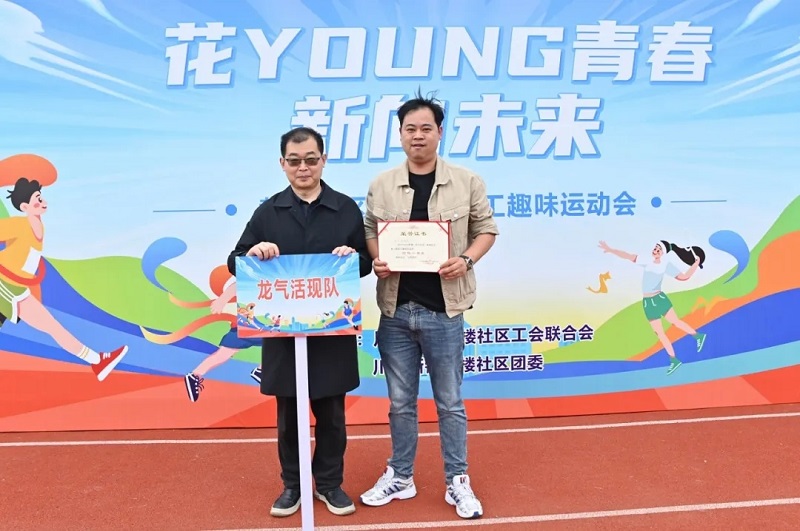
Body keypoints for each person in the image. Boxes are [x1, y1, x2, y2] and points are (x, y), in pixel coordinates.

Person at [361, 91, 499, 520]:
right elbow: (369, 230)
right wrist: (377, 258)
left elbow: (487, 230)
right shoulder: (382, 184)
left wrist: (467, 260)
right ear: (400, 134)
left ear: (440, 132)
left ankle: (457, 479)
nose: (417, 136)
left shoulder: (467, 181)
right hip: (396, 311)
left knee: (449, 402)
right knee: (400, 402)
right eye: (410, 129)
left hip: (445, 311)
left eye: (425, 128)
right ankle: (401, 476)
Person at [227, 127, 371, 518]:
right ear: (282, 164)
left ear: (323, 160)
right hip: (284, 331)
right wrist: (254, 253)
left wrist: (351, 257)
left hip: (331, 330)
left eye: (310, 159)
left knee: (332, 415)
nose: (303, 168)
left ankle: (329, 484)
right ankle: (293, 484)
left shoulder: (345, 208)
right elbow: (235, 261)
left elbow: (366, 262)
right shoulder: (268, 212)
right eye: (294, 161)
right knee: (289, 415)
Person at [598, 239, 707, 374]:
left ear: (663, 253)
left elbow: (684, 277)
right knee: (659, 333)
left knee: (675, 322)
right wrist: (610, 250)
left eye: (659, 249)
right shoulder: (646, 260)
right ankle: (674, 360)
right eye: (655, 248)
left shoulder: (666, 265)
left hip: (659, 299)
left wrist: (696, 263)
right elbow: (627, 256)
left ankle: (698, 336)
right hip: (648, 302)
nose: (655, 251)